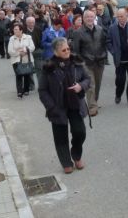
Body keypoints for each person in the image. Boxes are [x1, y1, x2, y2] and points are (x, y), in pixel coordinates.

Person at [38, 37, 90, 174]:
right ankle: (66, 162)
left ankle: (76, 155)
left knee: (80, 132)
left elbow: (87, 79)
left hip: (75, 104)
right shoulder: (48, 67)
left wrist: (81, 86)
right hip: (57, 106)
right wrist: (51, 107)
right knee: (60, 136)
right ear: (56, 52)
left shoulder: (76, 61)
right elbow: (42, 90)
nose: (67, 51)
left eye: (68, 48)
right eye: (64, 50)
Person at [72, 10, 108, 116]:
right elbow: (75, 50)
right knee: (91, 84)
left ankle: (94, 101)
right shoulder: (78, 32)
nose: (89, 19)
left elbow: (103, 44)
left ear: (94, 18)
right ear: (83, 19)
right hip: (86, 63)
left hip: (99, 62)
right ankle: (92, 107)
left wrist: (104, 56)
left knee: (97, 84)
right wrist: (80, 62)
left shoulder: (100, 30)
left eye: (91, 17)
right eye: (87, 17)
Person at [107, 9, 128, 107]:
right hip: (120, 59)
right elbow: (108, 42)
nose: (119, 18)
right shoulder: (112, 28)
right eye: (118, 17)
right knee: (120, 80)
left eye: (121, 16)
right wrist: (113, 52)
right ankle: (118, 94)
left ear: (126, 16)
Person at [9, 23, 35, 98]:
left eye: (16, 29)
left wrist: (24, 50)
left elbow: (32, 47)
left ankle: (26, 90)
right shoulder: (12, 38)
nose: (14, 31)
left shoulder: (28, 37)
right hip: (16, 60)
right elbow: (10, 51)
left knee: (27, 74)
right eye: (14, 29)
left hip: (26, 58)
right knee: (18, 75)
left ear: (21, 30)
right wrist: (19, 53)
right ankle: (19, 91)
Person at [24, 16, 43, 91]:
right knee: (29, 69)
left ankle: (41, 85)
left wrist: (41, 49)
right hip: (28, 52)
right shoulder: (24, 30)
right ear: (26, 23)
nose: (31, 24)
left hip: (37, 51)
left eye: (33, 22)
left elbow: (41, 39)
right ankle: (32, 85)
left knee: (39, 68)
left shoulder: (38, 29)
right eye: (29, 23)